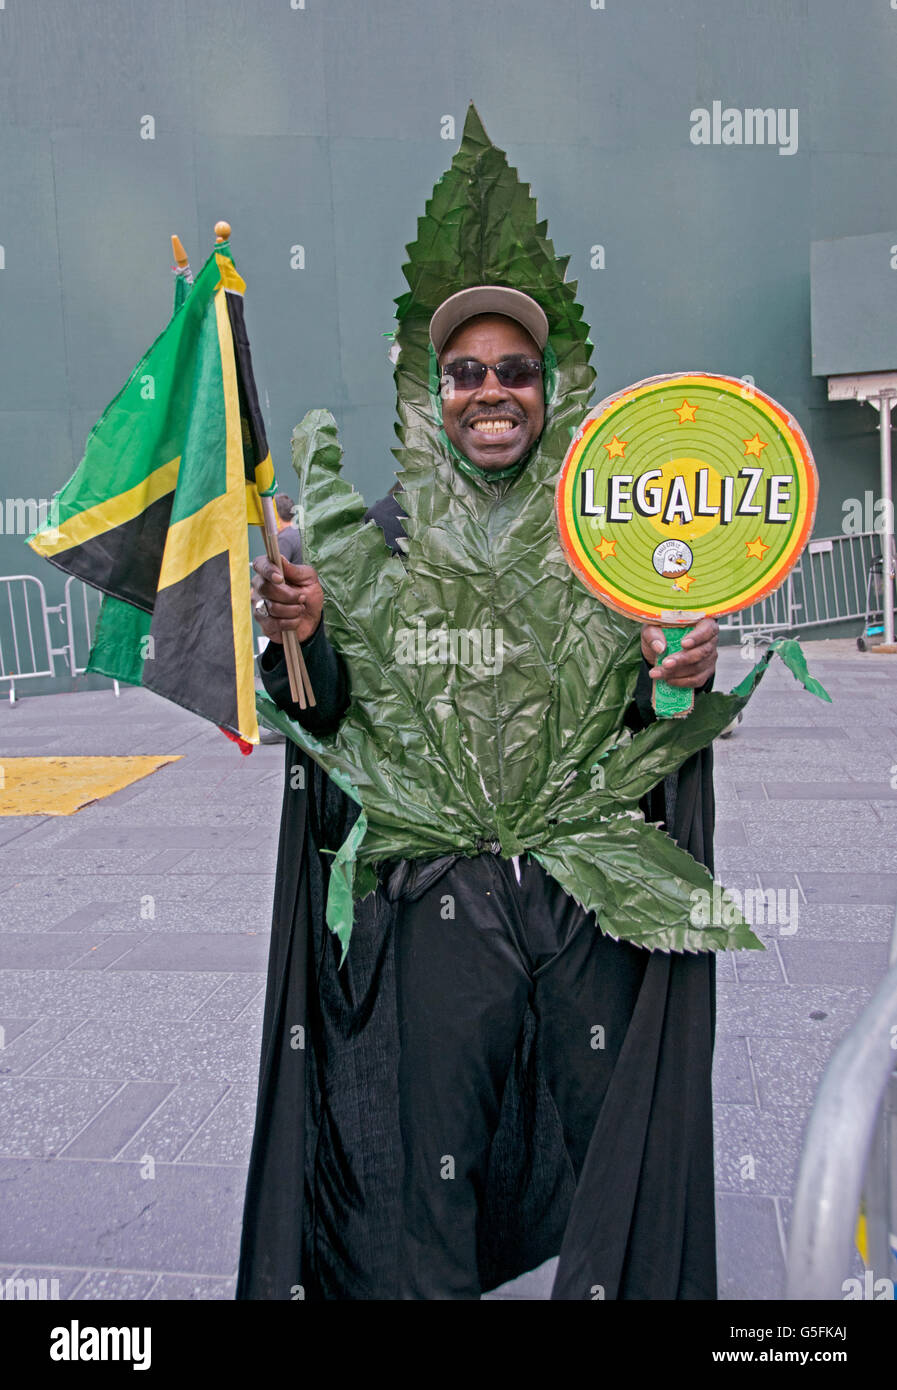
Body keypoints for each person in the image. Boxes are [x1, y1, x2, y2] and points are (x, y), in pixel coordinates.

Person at [238, 285, 722, 1301]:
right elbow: (328, 723)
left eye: (514, 372)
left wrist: (673, 674)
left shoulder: (607, 535)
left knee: (618, 1147)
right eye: (466, 373)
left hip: (585, 899)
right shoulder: (369, 541)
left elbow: (650, 715)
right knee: (431, 1177)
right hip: (439, 904)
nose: (490, 391)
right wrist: (305, 633)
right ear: (433, 395)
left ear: (544, 392)